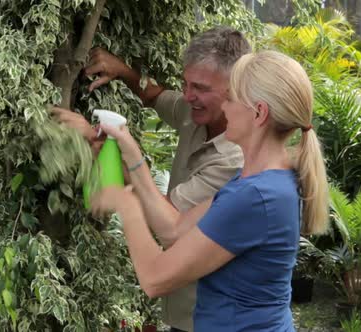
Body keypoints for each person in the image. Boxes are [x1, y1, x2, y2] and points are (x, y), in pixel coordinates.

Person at [90, 50, 330, 331]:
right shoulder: (263, 181)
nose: (224, 108)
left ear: (259, 113)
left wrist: (125, 202)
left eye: (230, 98)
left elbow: (155, 279)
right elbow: (175, 229)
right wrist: (131, 154)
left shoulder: (255, 197)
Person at [52, 27, 251, 332]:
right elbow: (156, 96)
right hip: (186, 310)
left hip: (209, 318)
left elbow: (168, 225)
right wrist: (123, 71)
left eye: (199, 87)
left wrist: (107, 151)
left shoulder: (234, 162)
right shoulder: (198, 112)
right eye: (186, 84)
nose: (188, 96)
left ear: (237, 88)